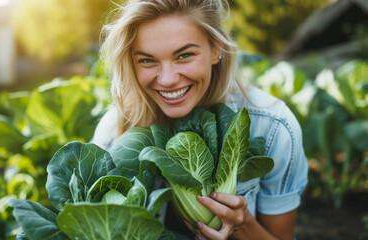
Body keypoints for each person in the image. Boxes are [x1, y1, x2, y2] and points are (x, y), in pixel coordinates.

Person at [91, 0, 308, 239]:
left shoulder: (273, 127)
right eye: (147, 60)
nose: (167, 79)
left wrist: (243, 225)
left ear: (216, 50)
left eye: (184, 55)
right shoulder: (115, 132)